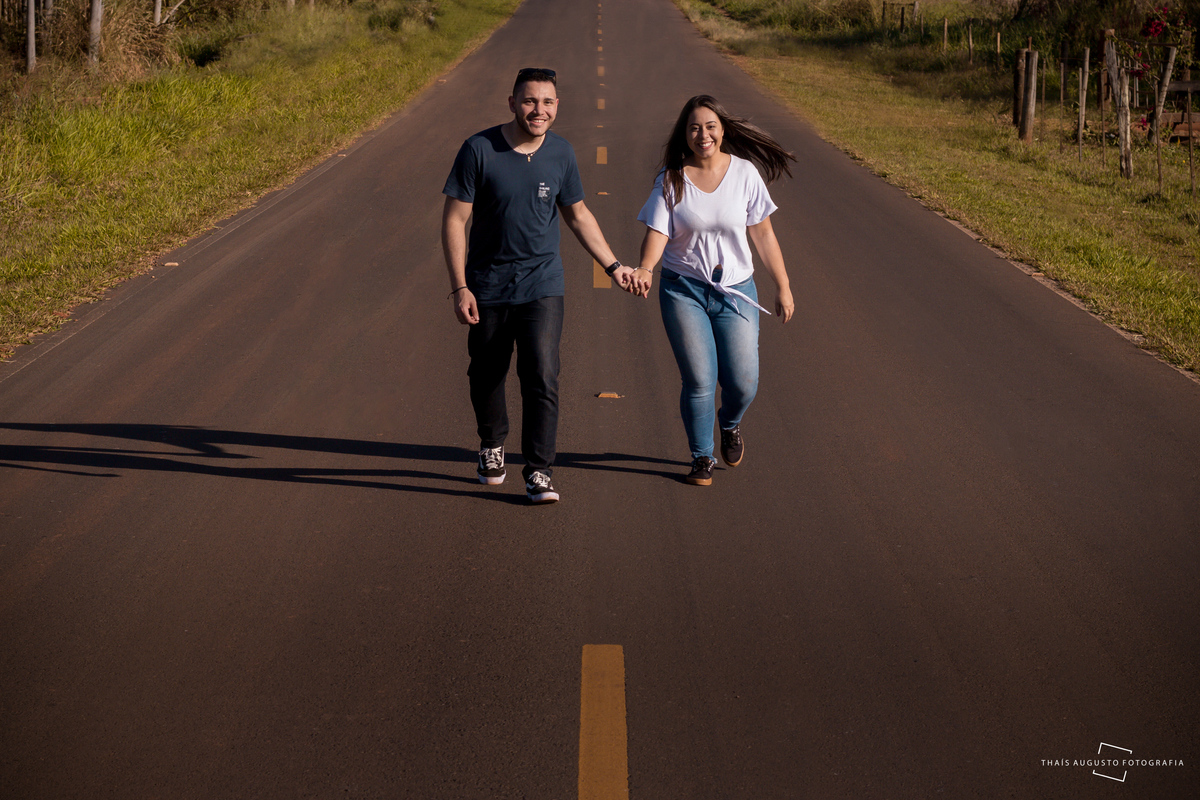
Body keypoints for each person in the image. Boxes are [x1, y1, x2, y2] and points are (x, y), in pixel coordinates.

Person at [442, 68, 633, 504]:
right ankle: (492, 444)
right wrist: (460, 287)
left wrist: (613, 266)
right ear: (512, 103)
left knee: (542, 374)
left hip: (543, 283)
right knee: (486, 371)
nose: (538, 110)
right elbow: (455, 219)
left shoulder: (562, 153)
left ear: (557, 107)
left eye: (547, 102)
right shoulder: (478, 149)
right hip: (487, 284)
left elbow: (578, 214)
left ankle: (539, 470)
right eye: (529, 101)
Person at [629, 95, 795, 486]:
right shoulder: (671, 179)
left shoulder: (744, 173)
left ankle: (730, 423)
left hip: (735, 291)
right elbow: (658, 231)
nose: (702, 134)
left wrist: (783, 286)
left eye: (709, 126)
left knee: (743, 381)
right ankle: (701, 457)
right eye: (693, 128)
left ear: (722, 130)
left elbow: (764, 234)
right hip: (683, 290)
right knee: (700, 380)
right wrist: (646, 268)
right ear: (684, 134)